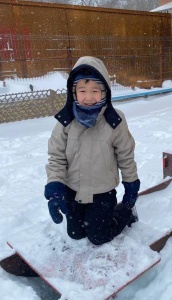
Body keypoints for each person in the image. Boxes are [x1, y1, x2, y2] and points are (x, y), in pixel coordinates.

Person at [44, 56, 140, 246]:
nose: (89, 97)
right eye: (82, 91)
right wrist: (55, 188)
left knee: (99, 237)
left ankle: (126, 213)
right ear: (74, 92)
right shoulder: (66, 120)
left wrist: (130, 185)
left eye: (95, 90)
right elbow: (56, 157)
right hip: (73, 191)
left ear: (105, 92)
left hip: (102, 192)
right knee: (75, 234)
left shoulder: (114, 120)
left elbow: (125, 156)